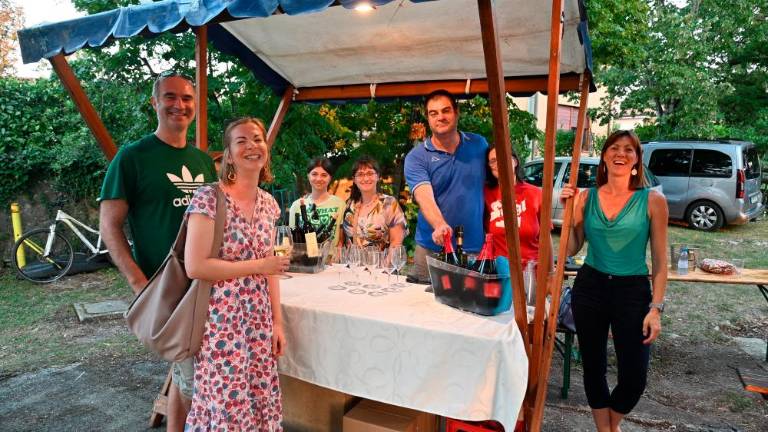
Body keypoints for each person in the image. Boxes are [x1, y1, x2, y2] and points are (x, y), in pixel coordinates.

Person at [99, 71, 216, 432]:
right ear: (154, 103)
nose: (179, 105)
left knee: (185, 368)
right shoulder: (132, 157)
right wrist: (139, 283)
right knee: (196, 378)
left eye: (187, 98)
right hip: (166, 288)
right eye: (170, 97)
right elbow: (109, 226)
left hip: (205, 282)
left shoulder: (202, 161)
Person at [183, 117, 290, 430]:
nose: (252, 146)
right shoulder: (209, 198)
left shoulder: (269, 204)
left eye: (257, 139)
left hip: (259, 321)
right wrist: (257, 266)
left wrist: (277, 322)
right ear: (228, 155)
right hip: (221, 322)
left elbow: (272, 269)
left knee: (259, 398)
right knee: (226, 404)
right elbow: (196, 266)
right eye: (241, 141)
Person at [560, 130, 668, 432]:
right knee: (593, 367)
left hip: (632, 290)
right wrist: (568, 214)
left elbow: (661, 262)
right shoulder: (586, 197)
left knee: (634, 377)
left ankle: (609, 426)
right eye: (614, 148)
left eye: (628, 150)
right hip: (590, 287)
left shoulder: (653, 201)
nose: (621, 153)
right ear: (604, 157)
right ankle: (604, 429)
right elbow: (571, 248)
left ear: (637, 160)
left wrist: (656, 308)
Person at [404, 89, 487, 282]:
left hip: (473, 248)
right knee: (423, 301)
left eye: (446, 110)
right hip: (431, 250)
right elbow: (424, 197)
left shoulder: (479, 144)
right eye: (433, 113)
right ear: (428, 119)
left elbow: (498, 178)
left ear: (457, 113)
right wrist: (439, 225)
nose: (440, 117)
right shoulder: (417, 157)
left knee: (470, 300)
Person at [484, 147, 545, 264]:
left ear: (515, 161)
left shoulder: (535, 193)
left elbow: (546, 237)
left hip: (531, 268)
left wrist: (550, 270)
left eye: (503, 157)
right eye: (493, 161)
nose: (499, 163)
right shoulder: (485, 194)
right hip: (500, 269)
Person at [340, 155, 407, 250]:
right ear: (354, 179)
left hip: (382, 260)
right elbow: (341, 241)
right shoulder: (349, 204)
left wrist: (387, 260)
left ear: (378, 176)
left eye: (370, 173)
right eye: (360, 174)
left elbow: (396, 243)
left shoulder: (389, 203)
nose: (366, 178)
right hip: (352, 259)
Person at [288, 157, 345, 245]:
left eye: (324, 175)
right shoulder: (296, 206)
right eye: (314, 174)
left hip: (331, 254)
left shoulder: (340, 204)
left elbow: (342, 240)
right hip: (303, 254)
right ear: (308, 176)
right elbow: (291, 241)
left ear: (330, 178)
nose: (318, 179)